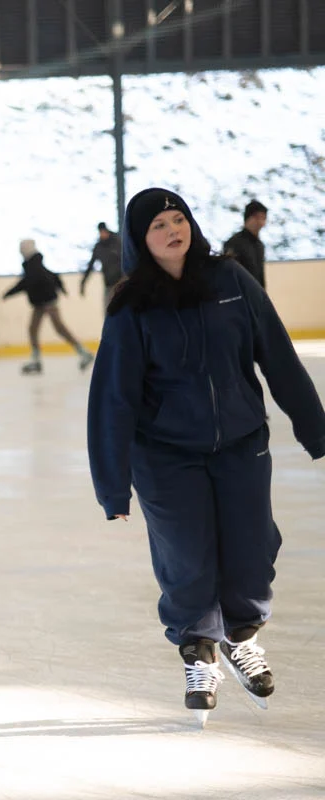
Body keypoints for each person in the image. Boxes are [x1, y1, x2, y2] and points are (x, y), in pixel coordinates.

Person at [87, 188, 325, 724]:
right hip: (165, 455)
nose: (173, 230)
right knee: (187, 558)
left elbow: (277, 353)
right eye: (159, 225)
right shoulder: (131, 306)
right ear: (140, 240)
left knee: (252, 549)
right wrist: (112, 486)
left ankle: (241, 638)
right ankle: (199, 652)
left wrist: (316, 429)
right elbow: (112, 399)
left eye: (179, 219)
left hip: (241, 443)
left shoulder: (230, 280)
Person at [3, 239, 94, 375]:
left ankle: (84, 352)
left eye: (22, 249)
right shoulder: (33, 263)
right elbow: (51, 275)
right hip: (41, 303)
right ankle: (36, 360)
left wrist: (9, 293)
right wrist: (61, 287)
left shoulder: (33, 264)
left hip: (47, 302)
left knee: (59, 328)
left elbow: (27, 282)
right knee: (34, 329)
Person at [223, 200, 268, 288]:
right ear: (247, 218)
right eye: (257, 217)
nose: (261, 222)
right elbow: (230, 274)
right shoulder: (234, 242)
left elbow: (260, 276)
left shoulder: (260, 245)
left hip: (256, 292)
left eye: (263, 218)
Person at [80, 222, 123, 310]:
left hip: (121, 282)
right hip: (108, 284)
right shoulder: (98, 247)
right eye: (101, 232)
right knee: (108, 310)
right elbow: (90, 265)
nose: (102, 234)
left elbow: (126, 260)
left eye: (104, 231)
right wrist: (83, 283)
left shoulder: (117, 242)